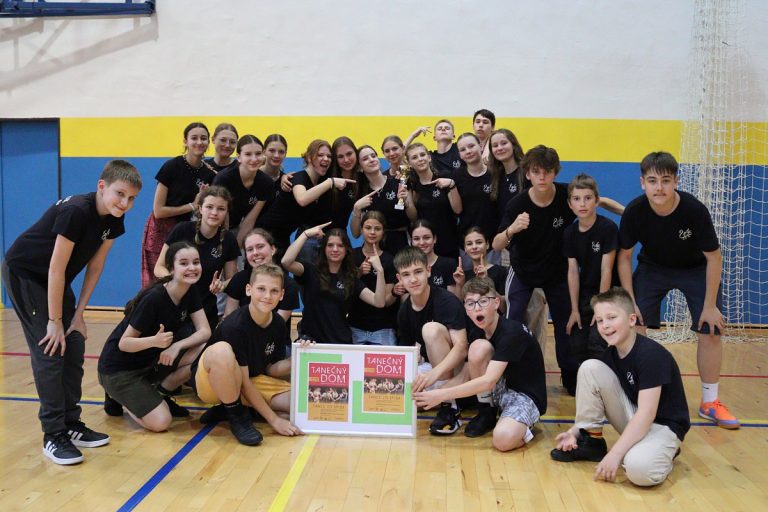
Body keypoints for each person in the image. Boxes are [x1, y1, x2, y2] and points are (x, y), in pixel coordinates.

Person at [1, 160, 142, 465]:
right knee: (51, 348)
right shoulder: (76, 211)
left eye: (131, 198)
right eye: (120, 194)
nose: (125, 203)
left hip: (56, 280)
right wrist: (54, 321)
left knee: (74, 342)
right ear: (102, 186)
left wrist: (78, 314)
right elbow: (56, 267)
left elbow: (96, 266)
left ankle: (70, 423)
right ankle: (53, 434)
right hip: (26, 274)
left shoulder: (114, 220)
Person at [617, 151, 739, 429]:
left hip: (696, 269)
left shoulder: (694, 211)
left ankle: (710, 402)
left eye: (665, 180)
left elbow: (714, 257)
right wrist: (630, 299)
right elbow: (624, 256)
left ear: (676, 181)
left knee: (710, 328)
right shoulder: (635, 211)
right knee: (634, 322)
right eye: (652, 181)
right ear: (642, 183)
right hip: (653, 268)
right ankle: (641, 397)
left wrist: (710, 306)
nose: (659, 187)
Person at [550, 288, 689, 487]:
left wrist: (615, 454)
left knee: (638, 470)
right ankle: (591, 439)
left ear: (632, 320)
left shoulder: (651, 355)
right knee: (590, 367)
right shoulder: (610, 355)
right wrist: (574, 432)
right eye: (600, 320)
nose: (605, 325)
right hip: (636, 418)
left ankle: (665, 453)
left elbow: (647, 413)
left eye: (611, 317)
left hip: (663, 426)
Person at [414, 277, 545, 447]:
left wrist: (441, 395)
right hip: (500, 388)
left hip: (524, 395)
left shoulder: (511, 333)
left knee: (502, 440)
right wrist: (431, 392)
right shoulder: (478, 331)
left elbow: (488, 380)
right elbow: (466, 373)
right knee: (478, 347)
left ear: (496, 303)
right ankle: (486, 413)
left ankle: (521, 424)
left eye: (483, 301)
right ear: (466, 309)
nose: (477, 308)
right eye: (470, 303)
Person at [492, 145, 579, 394]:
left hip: (557, 272)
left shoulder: (566, 196)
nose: (542, 177)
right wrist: (512, 229)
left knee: (565, 325)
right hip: (523, 271)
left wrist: (625, 211)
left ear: (555, 173)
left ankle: (570, 376)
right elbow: (496, 244)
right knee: (513, 322)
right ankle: (511, 376)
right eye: (536, 172)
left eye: (547, 172)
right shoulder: (517, 204)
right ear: (528, 174)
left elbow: (594, 202)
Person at [98, 242, 211, 430]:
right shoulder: (154, 298)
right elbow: (124, 343)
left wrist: (176, 346)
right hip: (119, 370)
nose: (192, 268)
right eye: (184, 263)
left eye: (196, 262)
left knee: (205, 349)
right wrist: (154, 341)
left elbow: (205, 331)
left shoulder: (190, 290)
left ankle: (160, 393)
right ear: (171, 268)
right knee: (161, 423)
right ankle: (117, 395)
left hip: (149, 363)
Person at [192, 264, 303, 445]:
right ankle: (238, 417)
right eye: (261, 289)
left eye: (274, 291)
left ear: (282, 295)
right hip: (211, 384)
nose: (267, 296)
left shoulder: (278, 324)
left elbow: (271, 369)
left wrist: (299, 357)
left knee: (299, 406)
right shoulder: (235, 326)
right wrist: (274, 420)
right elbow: (243, 382)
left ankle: (235, 409)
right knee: (222, 351)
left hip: (250, 380)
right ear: (248, 290)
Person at [394, 246, 468, 435]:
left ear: (428, 271)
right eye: (406, 274)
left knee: (431, 329)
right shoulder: (404, 311)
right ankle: (436, 397)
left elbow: (462, 348)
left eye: (418, 272)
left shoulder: (447, 301)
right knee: (397, 395)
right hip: (432, 368)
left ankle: (450, 407)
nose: (413, 279)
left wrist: (433, 375)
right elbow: (408, 355)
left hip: (462, 368)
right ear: (399, 279)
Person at [281, 222, 386, 344]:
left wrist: (380, 271)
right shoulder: (310, 271)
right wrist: (305, 234)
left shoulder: (350, 278)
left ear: (346, 250)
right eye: (330, 245)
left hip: (340, 344)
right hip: (310, 343)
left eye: (340, 246)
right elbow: (286, 262)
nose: (335, 249)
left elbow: (379, 302)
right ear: (324, 249)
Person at [141, 122, 216, 287]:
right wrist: (192, 205)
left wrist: (201, 205)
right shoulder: (171, 166)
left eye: (203, 138)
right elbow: (158, 211)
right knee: (158, 283)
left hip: (187, 232)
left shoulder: (209, 173)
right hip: (161, 230)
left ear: (209, 142)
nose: (199, 142)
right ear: (185, 141)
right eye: (194, 138)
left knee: (183, 280)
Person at [155, 186, 239, 331]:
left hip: (205, 309)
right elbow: (159, 268)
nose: (214, 212)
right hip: (175, 303)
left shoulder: (229, 239)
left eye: (221, 209)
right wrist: (177, 281)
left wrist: (221, 285)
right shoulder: (182, 229)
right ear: (200, 208)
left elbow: (232, 278)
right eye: (209, 207)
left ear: (226, 212)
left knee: (203, 340)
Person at [257, 140, 354, 255]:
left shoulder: (318, 182)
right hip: (264, 234)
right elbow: (302, 199)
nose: (326, 158)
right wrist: (330, 182)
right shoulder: (299, 177)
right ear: (308, 157)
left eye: (329, 156)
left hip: (283, 237)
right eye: (320, 155)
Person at [564, 173, 618, 363]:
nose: (582, 204)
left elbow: (606, 270)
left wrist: (600, 308)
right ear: (570, 204)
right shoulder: (570, 233)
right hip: (585, 293)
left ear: (596, 200)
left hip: (609, 293)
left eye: (588, 198)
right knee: (577, 343)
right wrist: (574, 309)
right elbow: (572, 271)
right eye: (576, 199)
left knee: (598, 340)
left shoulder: (608, 228)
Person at [224, 228, 300, 326]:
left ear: (273, 249)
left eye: (260, 247)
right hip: (240, 333)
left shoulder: (289, 285)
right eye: (250, 249)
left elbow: (277, 326)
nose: (255, 253)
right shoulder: (239, 279)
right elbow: (228, 319)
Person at [351, 145, 416, 255]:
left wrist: (406, 203)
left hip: (401, 245)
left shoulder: (399, 182)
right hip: (375, 247)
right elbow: (356, 234)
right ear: (359, 167)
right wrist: (356, 208)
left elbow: (414, 217)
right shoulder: (362, 192)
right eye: (365, 159)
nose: (371, 160)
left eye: (373, 156)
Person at [349, 211, 399, 345]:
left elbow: (386, 301)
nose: (372, 232)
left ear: (383, 232)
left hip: (383, 328)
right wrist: (358, 273)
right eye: (368, 228)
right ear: (361, 229)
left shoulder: (390, 260)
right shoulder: (351, 256)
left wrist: (380, 270)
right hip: (355, 326)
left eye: (377, 229)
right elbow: (344, 289)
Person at [406, 142, 462, 258]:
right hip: (425, 246)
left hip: (449, 241)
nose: (420, 159)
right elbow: (413, 217)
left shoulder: (444, 176)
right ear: (409, 163)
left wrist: (452, 185)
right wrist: (405, 201)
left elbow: (457, 210)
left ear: (429, 157)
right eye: (414, 157)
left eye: (422, 155)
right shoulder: (411, 184)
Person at [454, 132, 500, 256]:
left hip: (492, 242)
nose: (468, 151)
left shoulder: (495, 174)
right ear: (460, 154)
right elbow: (457, 210)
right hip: (466, 243)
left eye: (471, 146)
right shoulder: (456, 176)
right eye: (463, 149)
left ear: (480, 146)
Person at [453, 227, 508, 314]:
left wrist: (486, 282)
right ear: (465, 248)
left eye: (479, 242)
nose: (474, 247)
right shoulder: (463, 275)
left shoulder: (500, 271)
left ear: (487, 245)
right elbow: (457, 309)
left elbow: (504, 308)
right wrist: (459, 284)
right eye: (469, 244)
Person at [410, 219, 457, 295]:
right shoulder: (407, 266)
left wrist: (460, 284)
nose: (422, 242)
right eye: (416, 239)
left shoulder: (449, 264)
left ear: (434, 239)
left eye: (426, 237)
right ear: (411, 241)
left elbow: (453, 299)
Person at [329, 136, 360, 230]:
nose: (346, 160)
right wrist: (287, 177)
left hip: (340, 234)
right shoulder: (326, 176)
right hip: (316, 234)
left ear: (356, 153)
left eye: (349, 154)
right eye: (340, 157)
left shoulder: (362, 178)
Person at [258, 134, 290, 217]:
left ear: (285, 154)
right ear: (264, 152)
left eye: (281, 152)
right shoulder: (253, 176)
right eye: (272, 150)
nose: (276, 155)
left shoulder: (286, 182)